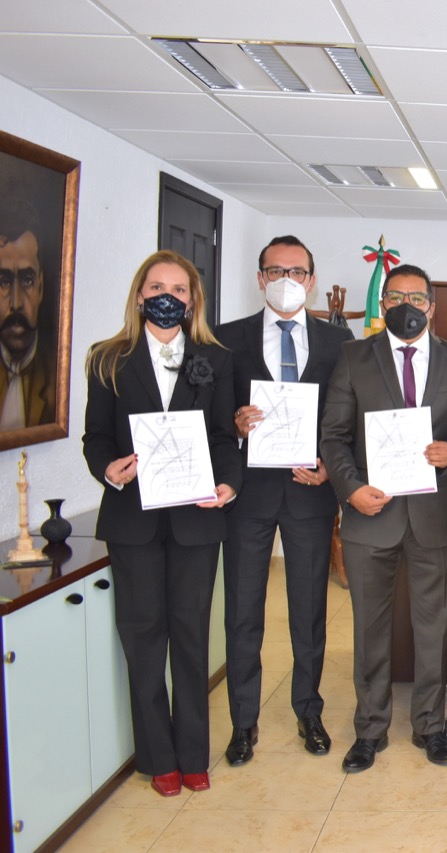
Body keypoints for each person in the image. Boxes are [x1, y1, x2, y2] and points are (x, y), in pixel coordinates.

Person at [82, 251, 240, 797]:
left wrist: (229, 483)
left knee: (192, 637)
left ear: (192, 301)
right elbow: (96, 436)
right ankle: (158, 758)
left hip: (197, 520)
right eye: (156, 287)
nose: (166, 296)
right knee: (143, 638)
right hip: (134, 522)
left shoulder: (215, 360)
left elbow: (223, 437)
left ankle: (193, 754)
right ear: (139, 295)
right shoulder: (108, 359)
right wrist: (108, 470)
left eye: (178, 288)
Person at [319, 263, 447, 773]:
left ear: (432, 306)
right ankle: (370, 730)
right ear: (382, 305)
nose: (407, 306)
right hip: (371, 513)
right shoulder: (354, 357)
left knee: (433, 631)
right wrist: (351, 489)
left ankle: (430, 726)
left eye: (417, 298)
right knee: (370, 630)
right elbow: (333, 436)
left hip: (433, 516)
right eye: (396, 298)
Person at [215, 235, 353, 767]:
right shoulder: (226, 339)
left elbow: (347, 418)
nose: (286, 280)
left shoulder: (339, 342)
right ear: (260, 279)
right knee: (243, 613)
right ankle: (242, 723)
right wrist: (234, 422)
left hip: (309, 494)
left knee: (309, 613)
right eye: (275, 271)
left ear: (311, 281)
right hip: (247, 495)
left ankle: (308, 711)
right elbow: (212, 418)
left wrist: (331, 466)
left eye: (296, 271)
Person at [0, 200, 56, 429]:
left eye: (27, 280)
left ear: (40, 287)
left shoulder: (58, 377)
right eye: (3, 282)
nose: (16, 303)